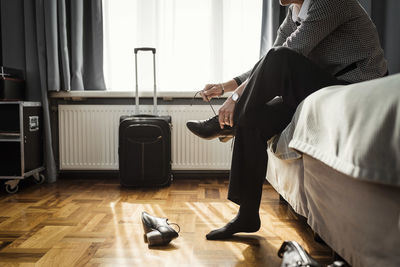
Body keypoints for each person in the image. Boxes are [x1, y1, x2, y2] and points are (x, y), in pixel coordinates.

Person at [186, 0, 388, 240]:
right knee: (254, 119)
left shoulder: (329, 2)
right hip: (324, 85)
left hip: (354, 84)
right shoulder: (294, 14)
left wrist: (236, 99)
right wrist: (225, 86)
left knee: (278, 60)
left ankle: (226, 124)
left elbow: (290, 52)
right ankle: (247, 215)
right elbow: (266, 64)